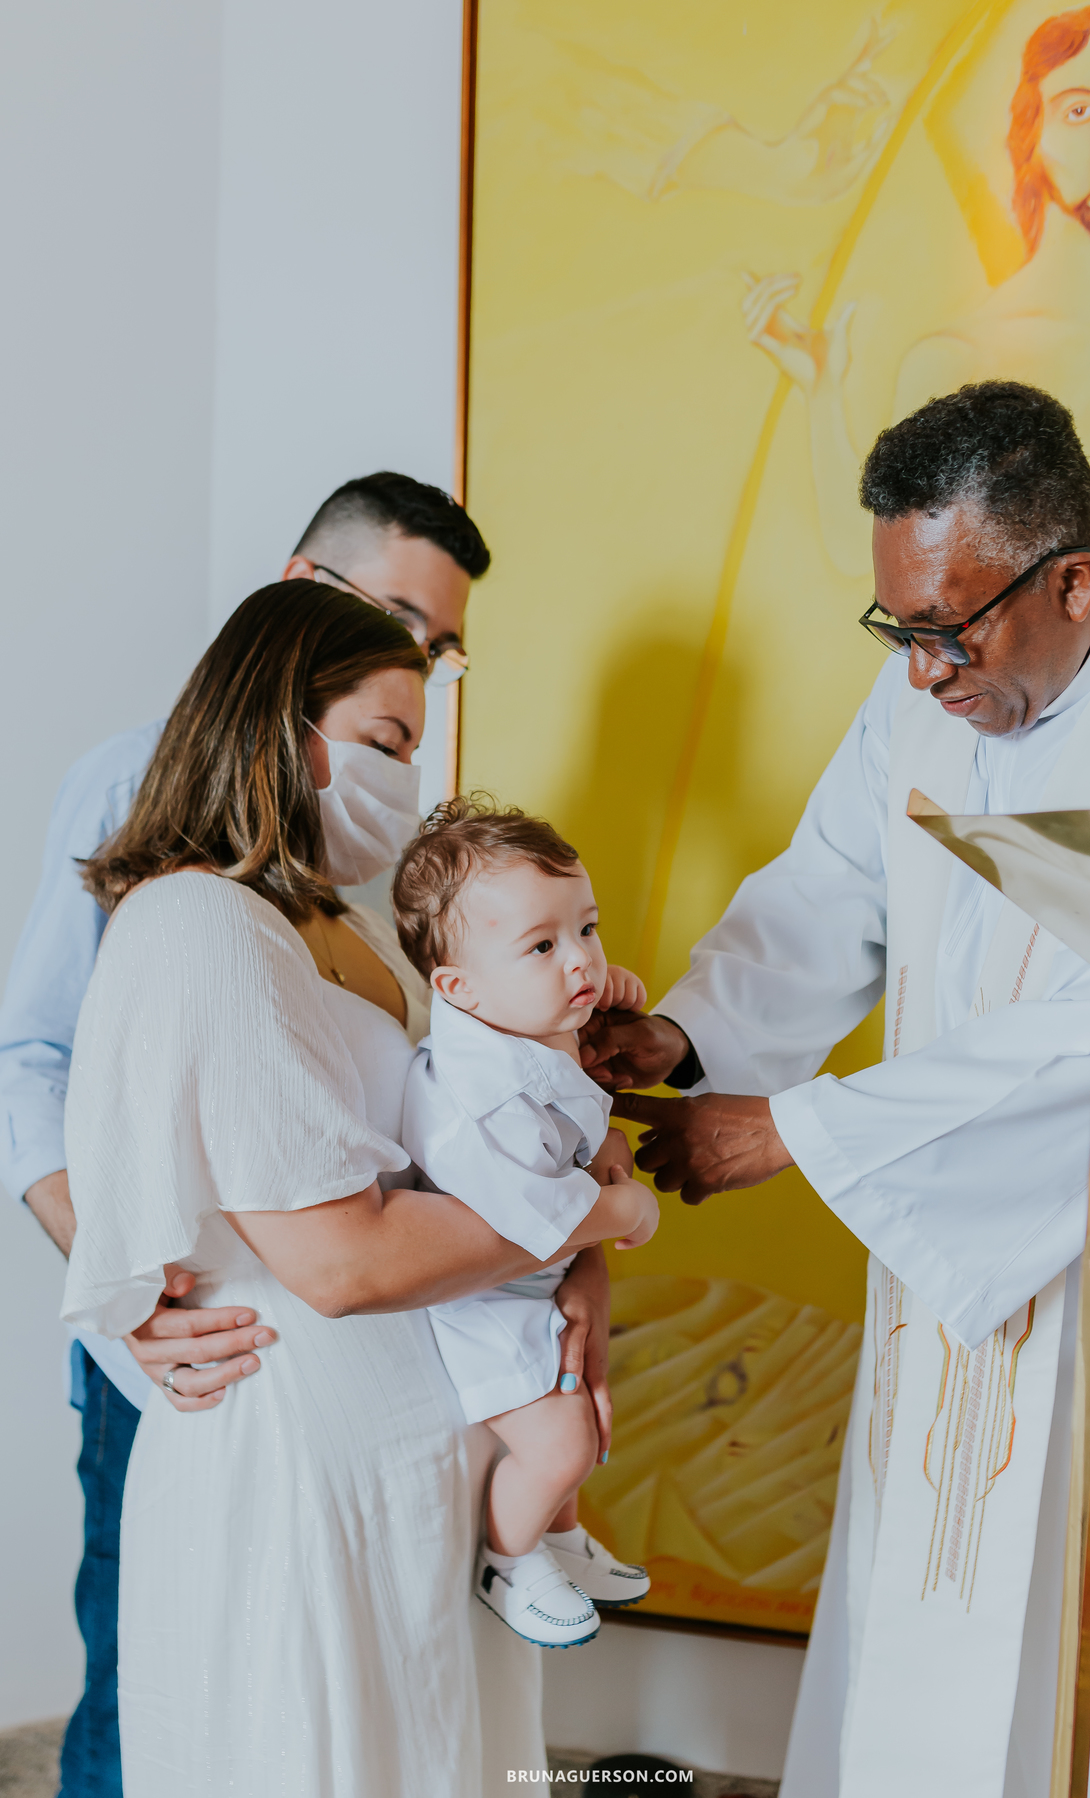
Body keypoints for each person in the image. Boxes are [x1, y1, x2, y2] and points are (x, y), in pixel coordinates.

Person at [582, 381, 1090, 1796]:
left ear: (1074, 579)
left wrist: (793, 1130)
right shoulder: (928, 688)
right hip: (945, 1285)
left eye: (949, 628)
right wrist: (689, 1036)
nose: (923, 673)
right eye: (898, 628)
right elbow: (832, 886)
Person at [61, 581, 656, 1797]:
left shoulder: (360, 928)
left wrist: (581, 1263)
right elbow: (340, 1260)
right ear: (283, 726)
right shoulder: (201, 923)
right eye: (385, 741)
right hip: (297, 1462)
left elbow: (490, 1142)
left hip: (428, 1451)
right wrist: (606, 1215)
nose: (406, 777)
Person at [0, 470, 506, 1798]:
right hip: (208, 1336)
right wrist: (128, 1285)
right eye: (394, 623)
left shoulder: (348, 880)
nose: (418, 662)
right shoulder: (148, 821)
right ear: (300, 601)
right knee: (152, 1682)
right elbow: (38, 1061)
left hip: (380, 1400)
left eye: (440, 647)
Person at [743, 0, 1090, 579]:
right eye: (1078, 112)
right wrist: (824, 394)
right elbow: (874, 550)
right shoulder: (966, 357)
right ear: (1031, 140)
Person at [393, 799, 655, 1646]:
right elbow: (542, 1216)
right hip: (486, 1299)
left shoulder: (518, 1011)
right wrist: (628, 1206)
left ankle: (561, 1537)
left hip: (535, 1281)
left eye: (589, 929)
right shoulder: (487, 1097)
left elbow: (570, 1000)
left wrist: (603, 985)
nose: (581, 960)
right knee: (563, 1443)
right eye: (543, 946)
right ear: (457, 989)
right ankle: (507, 1558)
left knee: (578, 1402)